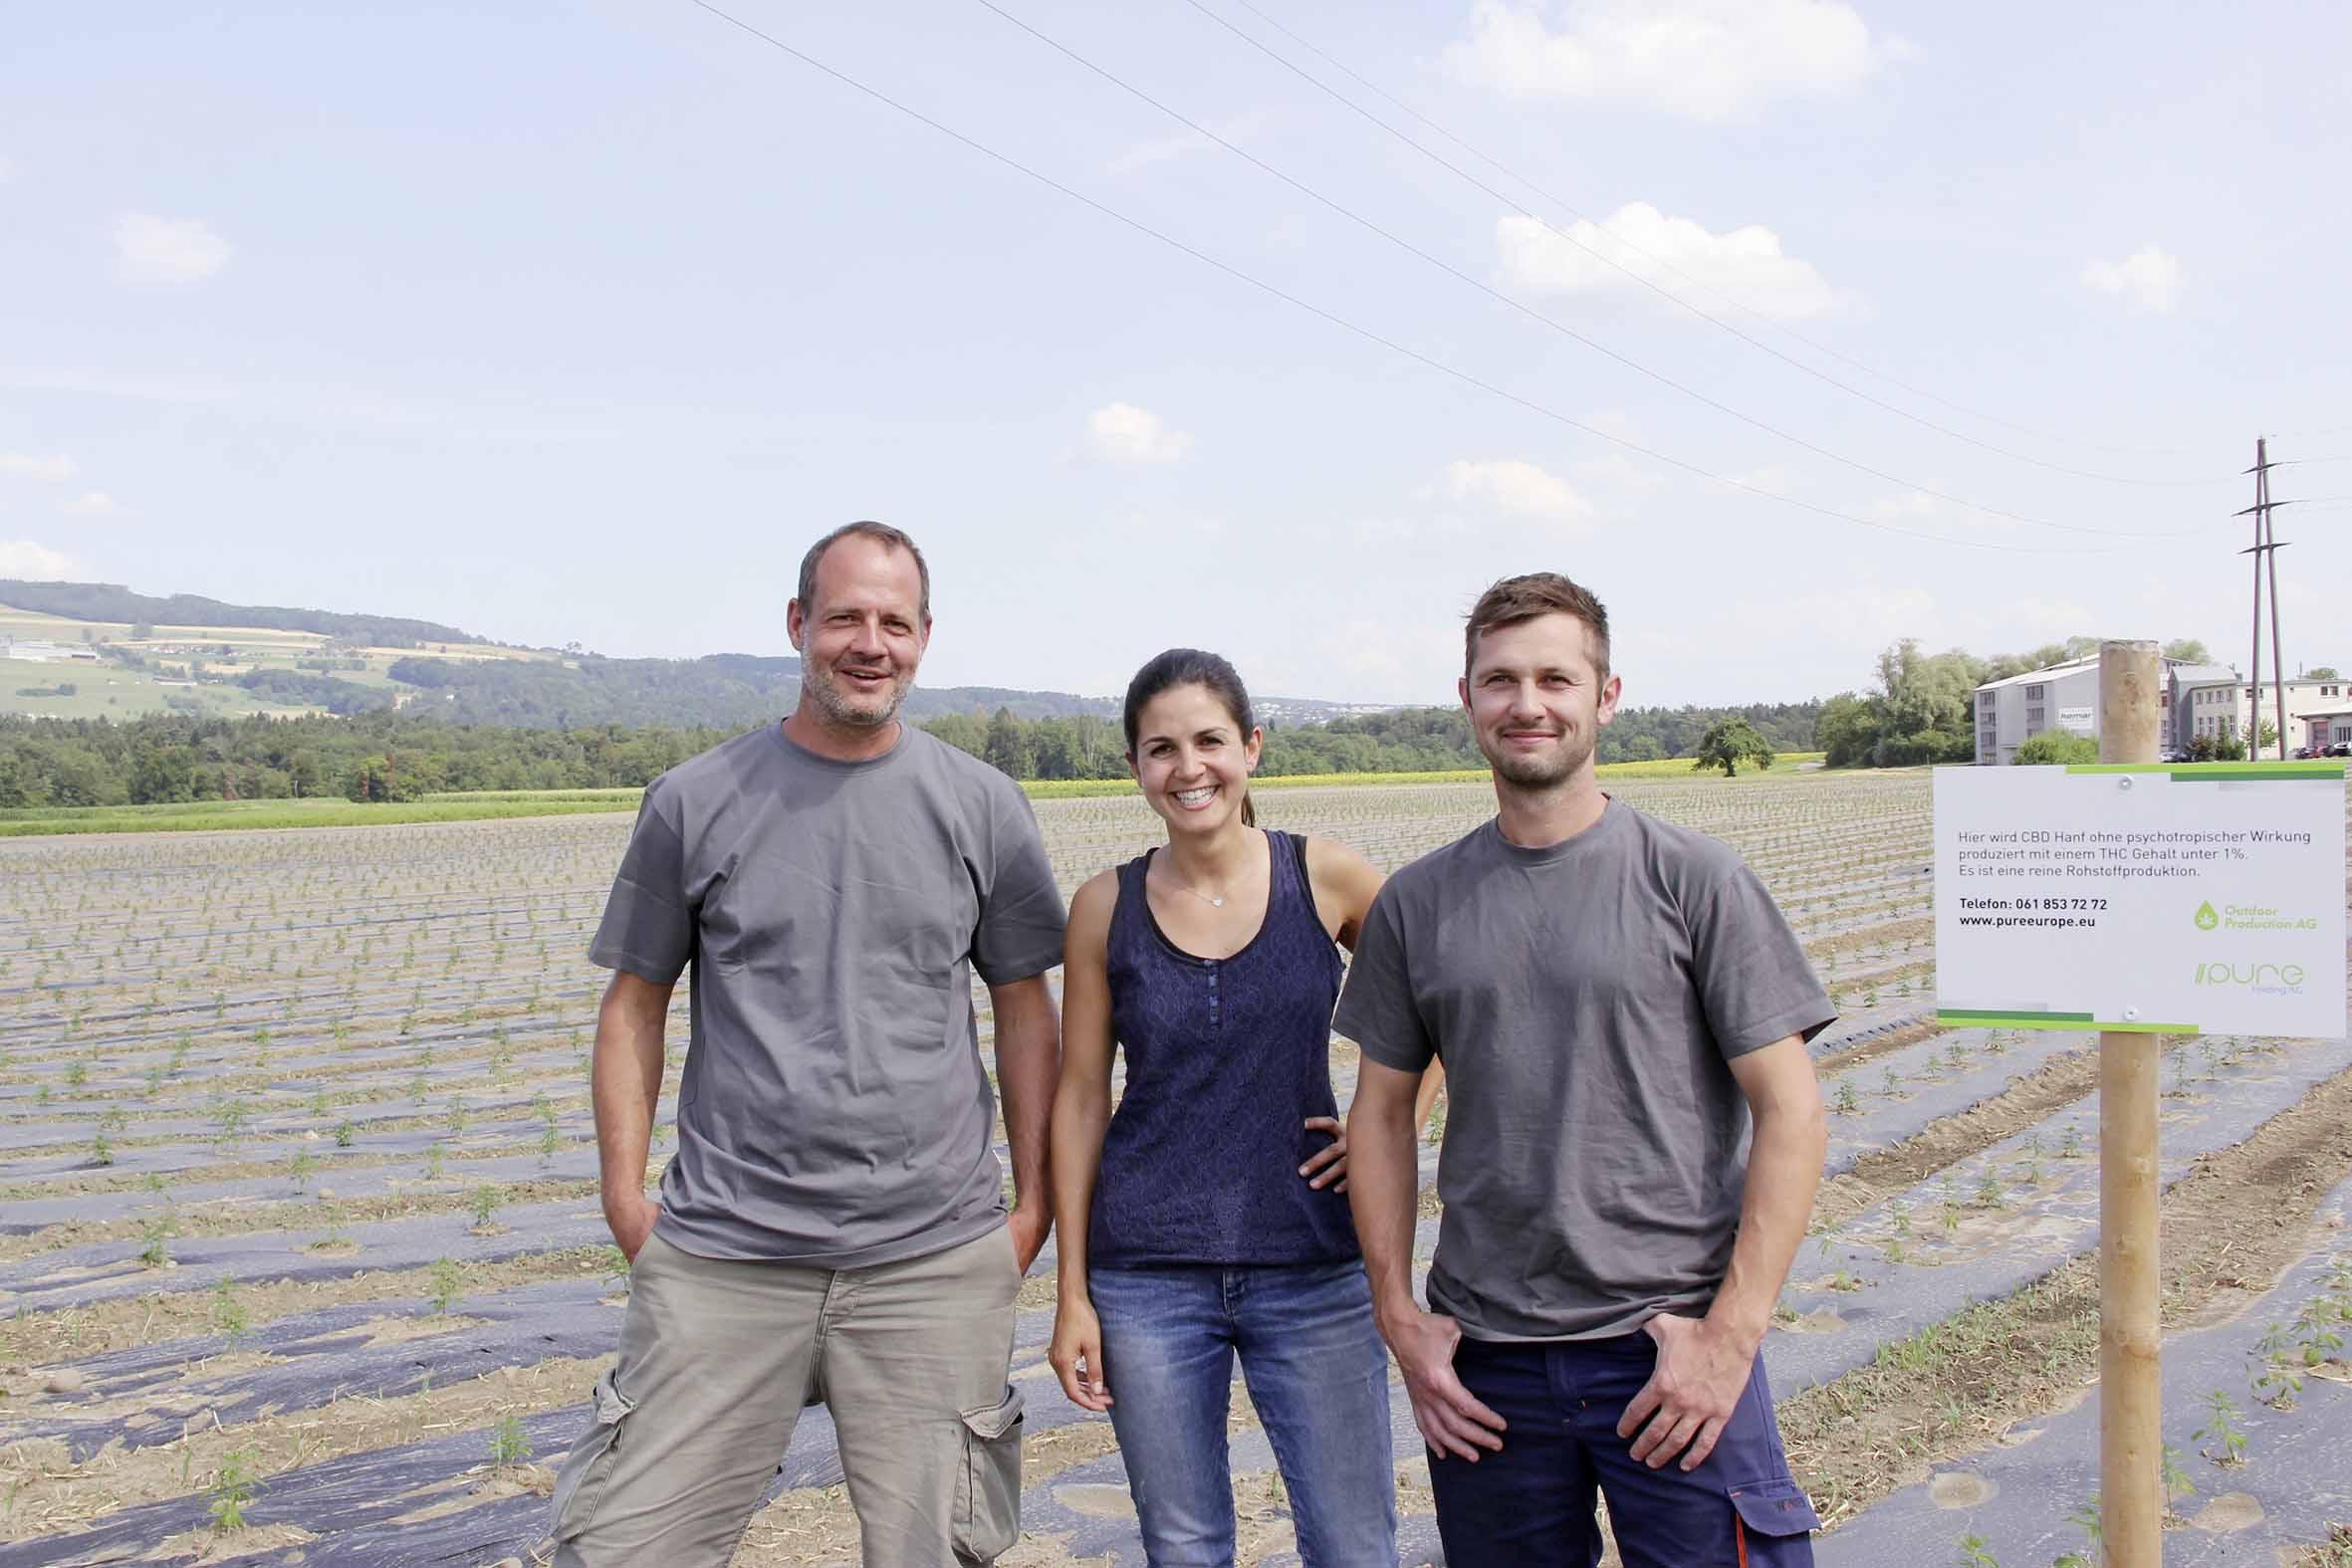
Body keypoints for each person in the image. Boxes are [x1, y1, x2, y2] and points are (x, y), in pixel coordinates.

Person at [539, 522, 1067, 1567]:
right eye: (844, 618)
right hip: (725, 1258)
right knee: (619, 1547)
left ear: (923, 638)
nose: (869, 643)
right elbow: (634, 1005)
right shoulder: (694, 800)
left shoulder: (982, 806)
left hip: (931, 1262)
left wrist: (1032, 1207)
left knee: (938, 1550)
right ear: (797, 626)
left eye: (893, 622)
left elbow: (1024, 1008)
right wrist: (625, 1200)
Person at [1337, 573, 1833, 1567]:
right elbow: (1382, 1119)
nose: (1528, 704)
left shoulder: (1693, 879)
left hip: (1668, 1349)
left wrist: (1728, 1338)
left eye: (1556, 678)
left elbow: (1792, 1114)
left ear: (1604, 697)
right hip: (1488, 1371)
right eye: (1501, 680)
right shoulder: (1419, 904)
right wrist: (1399, 1317)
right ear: (1467, 699)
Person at [1045, 648, 1442, 1568]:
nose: (1189, 768)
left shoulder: (1327, 877)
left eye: (1210, 740)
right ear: (1136, 768)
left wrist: (1391, 1132)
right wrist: (1072, 1293)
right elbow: (1077, 1098)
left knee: (1353, 1542)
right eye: (1161, 748)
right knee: (1185, 1547)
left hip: (1313, 1265)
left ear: (1252, 747)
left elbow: (1441, 1010)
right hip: (1147, 1279)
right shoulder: (1105, 905)